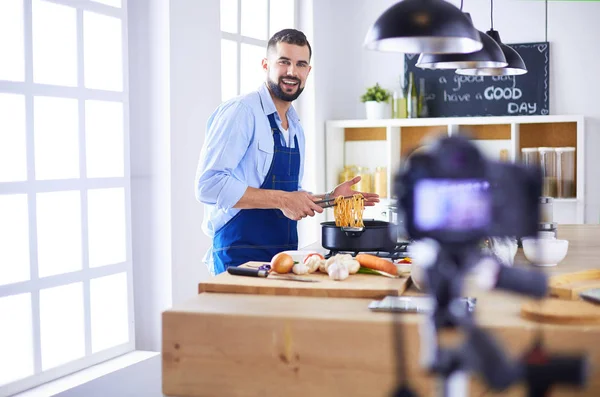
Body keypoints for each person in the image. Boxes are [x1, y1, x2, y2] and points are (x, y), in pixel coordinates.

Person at [195, 29, 378, 275]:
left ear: (308, 72)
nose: (292, 72)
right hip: (238, 257)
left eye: (300, 64)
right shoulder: (242, 112)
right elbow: (208, 185)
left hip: (283, 258)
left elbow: (289, 198)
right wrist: (283, 199)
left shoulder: (295, 126)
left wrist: (330, 198)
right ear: (266, 65)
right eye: (284, 62)